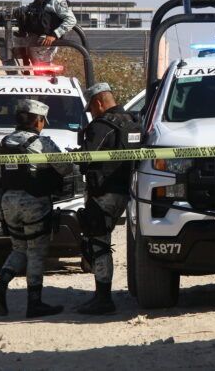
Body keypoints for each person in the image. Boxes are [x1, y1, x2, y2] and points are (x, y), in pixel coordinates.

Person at [0, 99, 73, 318]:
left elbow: (0, 173)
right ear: (38, 121)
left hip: (8, 203)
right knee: (36, 251)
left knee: (18, 248)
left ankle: (0, 285)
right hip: (34, 202)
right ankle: (34, 303)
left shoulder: (4, 143)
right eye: (43, 121)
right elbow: (65, 168)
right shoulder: (42, 143)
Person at [76, 83, 140, 315]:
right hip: (127, 192)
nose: (91, 114)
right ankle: (102, 296)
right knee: (102, 241)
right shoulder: (135, 122)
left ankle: (103, 298)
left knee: (99, 244)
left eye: (91, 109)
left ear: (98, 104)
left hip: (103, 192)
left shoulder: (101, 126)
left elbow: (87, 158)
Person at [0, 0, 77, 66]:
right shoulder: (40, 0)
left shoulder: (57, 0)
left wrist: (54, 35)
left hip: (44, 42)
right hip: (31, 40)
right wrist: (1, 17)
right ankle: (16, 77)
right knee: (5, 51)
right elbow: (22, 10)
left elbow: (71, 20)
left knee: (41, 72)